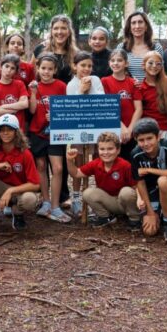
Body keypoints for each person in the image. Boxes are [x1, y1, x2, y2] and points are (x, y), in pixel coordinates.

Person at [66, 132, 140, 228]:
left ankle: (135, 220)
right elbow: (76, 173)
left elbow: (136, 186)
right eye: (102, 149)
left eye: (110, 149)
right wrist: (69, 160)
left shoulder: (125, 165)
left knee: (126, 192)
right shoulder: (96, 163)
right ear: (98, 150)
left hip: (125, 203)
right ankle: (106, 217)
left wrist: (141, 202)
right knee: (87, 193)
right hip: (110, 202)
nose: (106, 153)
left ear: (118, 150)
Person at [28, 54, 70, 223]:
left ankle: (55, 205)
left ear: (55, 70)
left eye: (50, 69)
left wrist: (56, 115)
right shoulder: (33, 86)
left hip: (55, 132)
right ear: (38, 69)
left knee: (58, 168)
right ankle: (45, 202)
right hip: (37, 132)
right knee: (41, 165)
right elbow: (31, 110)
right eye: (43, 68)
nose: (46, 72)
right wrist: (32, 92)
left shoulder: (61, 86)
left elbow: (67, 109)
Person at [130, 118, 167, 243]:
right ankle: (158, 214)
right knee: (150, 231)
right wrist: (150, 213)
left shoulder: (166, 146)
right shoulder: (135, 154)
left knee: (163, 180)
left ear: (158, 137)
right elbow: (140, 183)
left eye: (149, 138)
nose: (146, 143)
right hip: (151, 192)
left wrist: (150, 170)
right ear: (136, 141)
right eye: (141, 140)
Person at [66, 51, 105, 215]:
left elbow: (101, 100)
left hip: (96, 127)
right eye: (83, 65)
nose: (86, 69)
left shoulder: (96, 80)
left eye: (89, 66)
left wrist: (90, 88)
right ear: (75, 66)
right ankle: (76, 198)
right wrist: (81, 90)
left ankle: (99, 198)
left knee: (98, 161)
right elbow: (72, 107)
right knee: (79, 163)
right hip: (78, 129)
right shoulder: (71, 84)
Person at [101, 49, 142, 160]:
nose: (115, 63)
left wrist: (129, 130)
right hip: (113, 129)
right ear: (109, 63)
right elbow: (107, 108)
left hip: (131, 131)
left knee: (130, 163)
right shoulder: (104, 82)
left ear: (126, 63)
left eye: (119, 60)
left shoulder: (133, 82)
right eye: (112, 60)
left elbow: (139, 109)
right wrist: (122, 127)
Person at [116, 11, 164, 82]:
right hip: (128, 90)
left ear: (146, 26)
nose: (137, 26)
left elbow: (160, 72)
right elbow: (118, 72)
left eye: (140, 22)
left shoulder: (156, 47)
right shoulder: (121, 47)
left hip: (151, 90)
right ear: (129, 27)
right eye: (133, 23)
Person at [137, 51, 167, 141]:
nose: (154, 66)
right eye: (150, 63)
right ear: (143, 65)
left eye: (158, 64)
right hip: (148, 131)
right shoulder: (139, 87)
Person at [32, 14, 79, 84]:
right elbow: (31, 73)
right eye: (56, 28)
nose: (59, 32)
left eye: (63, 28)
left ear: (69, 32)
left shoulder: (76, 54)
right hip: (43, 93)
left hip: (66, 93)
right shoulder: (40, 49)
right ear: (51, 31)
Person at [0, 54, 29, 131]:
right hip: (1, 129)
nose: (9, 70)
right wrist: (17, 108)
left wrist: (3, 106)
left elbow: (25, 104)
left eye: (12, 68)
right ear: (1, 67)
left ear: (16, 71)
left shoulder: (20, 84)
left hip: (18, 128)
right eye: (7, 66)